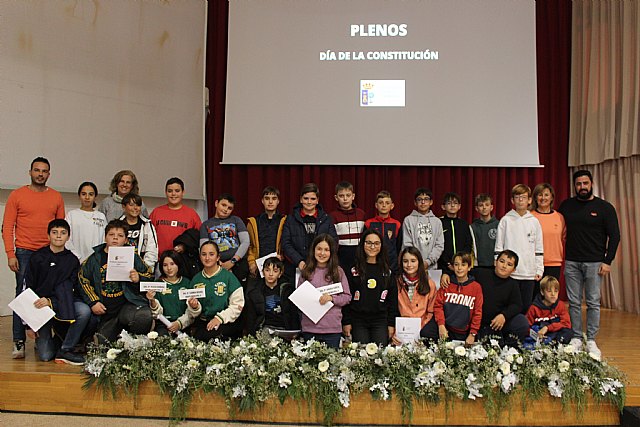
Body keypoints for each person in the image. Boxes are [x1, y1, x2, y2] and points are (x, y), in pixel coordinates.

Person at [2, 157, 65, 358]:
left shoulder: (56, 197)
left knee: (46, 295)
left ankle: (42, 337)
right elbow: (8, 226)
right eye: (37, 170)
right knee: (23, 296)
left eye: (44, 171)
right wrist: (10, 254)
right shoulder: (17, 195)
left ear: (49, 174)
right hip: (24, 252)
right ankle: (18, 341)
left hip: (49, 252)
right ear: (30, 172)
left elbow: (61, 229)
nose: (40, 174)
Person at [558, 170, 620, 357]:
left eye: (585, 183)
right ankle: (577, 337)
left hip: (595, 263)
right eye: (578, 184)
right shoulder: (567, 206)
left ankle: (591, 339)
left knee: (593, 302)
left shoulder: (605, 207)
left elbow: (615, 236)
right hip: (572, 262)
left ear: (591, 184)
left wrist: (607, 261)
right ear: (574, 186)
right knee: (574, 303)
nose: (582, 187)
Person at [24, 219, 94, 365]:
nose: (58, 236)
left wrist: (52, 302)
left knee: (84, 311)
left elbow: (73, 288)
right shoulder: (37, 257)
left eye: (63, 233)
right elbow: (28, 288)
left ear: (68, 237)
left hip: (63, 302)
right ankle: (53, 339)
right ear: (48, 235)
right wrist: (28, 323)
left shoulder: (72, 260)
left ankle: (66, 349)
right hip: (40, 306)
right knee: (45, 356)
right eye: (54, 233)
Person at [78, 219, 155, 343]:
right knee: (104, 344)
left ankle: (134, 338)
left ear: (125, 240)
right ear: (105, 237)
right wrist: (93, 302)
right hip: (104, 310)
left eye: (120, 236)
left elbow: (149, 275)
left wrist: (138, 277)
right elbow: (83, 280)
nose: (115, 238)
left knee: (144, 316)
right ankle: (115, 334)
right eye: (111, 235)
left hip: (127, 304)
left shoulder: (133, 256)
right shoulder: (93, 259)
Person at [442, 250, 529, 347]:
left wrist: (504, 315)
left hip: (496, 323)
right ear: (495, 262)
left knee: (521, 322)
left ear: (513, 270)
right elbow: (462, 270)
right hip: (475, 321)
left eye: (509, 264)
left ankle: (510, 349)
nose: (504, 266)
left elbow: (517, 305)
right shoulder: (481, 273)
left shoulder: (513, 284)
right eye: (502, 261)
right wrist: (446, 274)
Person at [494, 184, 543, 313]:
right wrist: (498, 265)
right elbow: (499, 246)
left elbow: (538, 248)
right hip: (511, 274)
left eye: (524, 197)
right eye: (517, 197)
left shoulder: (534, 221)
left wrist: (539, 268)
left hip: (528, 273)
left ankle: (522, 332)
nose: (520, 200)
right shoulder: (506, 220)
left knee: (525, 307)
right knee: (509, 306)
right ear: (512, 200)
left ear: (530, 200)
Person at [342, 229, 395, 345]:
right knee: (361, 356)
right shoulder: (353, 270)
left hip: (380, 320)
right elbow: (346, 297)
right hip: (358, 320)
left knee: (380, 356)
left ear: (381, 246)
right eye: (368, 243)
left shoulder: (387, 271)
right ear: (363, 244)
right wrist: (346, 321)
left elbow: (392, 299)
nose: (372, 247)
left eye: (376, 243)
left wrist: (391, 324)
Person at [298, 234, 351, 349]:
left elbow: (347, 297)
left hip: (332, 329)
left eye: (326, 250)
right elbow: (299, 298)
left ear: (331, 252)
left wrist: (332, 298)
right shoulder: (306, 272)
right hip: (309, 328)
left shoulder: (338, 272)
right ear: (313, 250)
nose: (322, 253)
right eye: (319, 249)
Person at [281, 183, 338, 282]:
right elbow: (286, 244)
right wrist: (299, 261)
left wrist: (321, 261)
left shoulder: (326, 219)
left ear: (317, 200)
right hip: (297, 267)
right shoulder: (290, 219)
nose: (309, 202)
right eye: (306, 198)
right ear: (301, 199)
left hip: (322, 267)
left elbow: (333, 242)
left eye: (312, 199)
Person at [191, 241, 244, 341]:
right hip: (203, 323)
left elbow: (237, 305)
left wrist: (219, 318)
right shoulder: (196, 280)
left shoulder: (229, 277)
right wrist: (194, 307)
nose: (207, 258)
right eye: (204, 254)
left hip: (226, 322)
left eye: (211, 254)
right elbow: (191, 312)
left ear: (218, 257)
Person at [390, 246, 438, 344]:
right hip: (401, 332)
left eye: (413, 261)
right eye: (405, 261)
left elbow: (431, 312)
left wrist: (421, 330)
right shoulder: (395, 283)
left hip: (423, 330)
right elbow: (392, 310)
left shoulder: (429, 284)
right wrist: (395, 332)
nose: (409, 265)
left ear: (419, 262)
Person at [433, 252, 483, 345]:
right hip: (446, 329)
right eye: (456, 264)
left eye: (463, 265)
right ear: (452, 267)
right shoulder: (446, 284)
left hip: (464, 332)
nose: (459, 268)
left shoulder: (476, 287)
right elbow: (437, 306)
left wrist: (472, 333)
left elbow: (478, 312)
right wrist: (441, 325)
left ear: (469, 267)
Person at [147, 250, 201, 336]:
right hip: (163, 325)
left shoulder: (187, 283)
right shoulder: (158, 284)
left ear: (178, 264)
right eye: (165, 265)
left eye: (172, 264)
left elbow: (191, 313)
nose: (169, 268)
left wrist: (179, 323)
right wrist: (152, 301)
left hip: (183, 324)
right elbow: (156, 312)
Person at [199, 193, 250, 283]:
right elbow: (203, 247)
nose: (226, 209)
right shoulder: (206, 224)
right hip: (215, 264)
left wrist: (233, 261)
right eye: (223, 205)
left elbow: (245, 242)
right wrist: (217, 263)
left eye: (229, 208)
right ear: (216, 203)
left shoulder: (236, 220)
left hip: (237, 263)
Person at [244, 257, 299, 335]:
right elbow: (251, 317)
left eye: (275, 271)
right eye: (267, 270)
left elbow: (293, 315)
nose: (271, 274)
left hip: (284, 329)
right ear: (263, 272)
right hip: (264, 328)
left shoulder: (287, 290)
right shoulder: (255, 292)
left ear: (280, 274)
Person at [150, 177, 202, 255]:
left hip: (184, 260)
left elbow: (198, 237)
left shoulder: (192, 214)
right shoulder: (156, 212)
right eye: (170, 191)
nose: (173, 194)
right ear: (166, 192)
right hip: (159, 260)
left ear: (183, 192)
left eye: (177, 191)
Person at [246, 186, 287, 278]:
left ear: (278, 201)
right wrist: (251, 263)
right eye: (267, 198)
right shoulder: (253, 223)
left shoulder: (285, 221)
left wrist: (282, 256)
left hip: (278, 266)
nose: (270, 202)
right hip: (258, 266)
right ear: (262, 201)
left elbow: (288, 244)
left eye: (274, 198)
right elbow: (249, 246)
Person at [531, 183, 565, 283]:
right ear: (535, 198)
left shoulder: (559, 217)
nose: (543, 198)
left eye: (546, 195)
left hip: (554, 263)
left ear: (551, 198)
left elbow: (562, 237)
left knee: (550, 296)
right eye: (540, 195)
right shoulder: (530, 217)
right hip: (534, 263)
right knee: (535, 297)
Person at [402, 187, 444, 270]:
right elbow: (407, 244)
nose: (423, 202)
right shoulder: (408, 220)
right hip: (412, 267)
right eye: (419, 199)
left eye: (426, 199)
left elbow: (439, 245)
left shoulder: (437, 221)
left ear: (431, 202)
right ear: (415, 202)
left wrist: (428, 262)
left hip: (432, 267)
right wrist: (415, 262)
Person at [329, 181, 366, 273]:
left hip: (359, 254)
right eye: (341, 196)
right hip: (341, 255)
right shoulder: (332, 216)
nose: (345, 199)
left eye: (348, 195)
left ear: (353, 196)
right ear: (336, 198)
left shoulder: (361, 214)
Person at [65, 182, 107, 262]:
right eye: (84, 194)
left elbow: (104, 239)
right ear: (79, 196)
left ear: (95, 197)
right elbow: (66, 238)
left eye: (91, 194)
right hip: (75, 260)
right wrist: (76, 256)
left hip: (96, 260)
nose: (87, 197)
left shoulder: (101, 216)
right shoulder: (71, 215)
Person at [526, 276, 573, 345]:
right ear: (542, 292)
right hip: (540, 334)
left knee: (567, 332)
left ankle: (555, 346)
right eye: (549, 291)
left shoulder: (560, 305)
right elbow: (527, 326)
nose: (553, 294)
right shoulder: (534, 308)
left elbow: (566, 323)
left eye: (556, 291)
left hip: (555, 332)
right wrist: (536, 335)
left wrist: (547, 328)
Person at [364, 190, 402, 275]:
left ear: (392, 206)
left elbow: (399, 246)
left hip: (392, 264)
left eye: (387, 203)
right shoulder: (368, 223)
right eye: (381, 203)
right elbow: (364, 245)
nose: (384, 205)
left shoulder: (397, 224)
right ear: (376, 205)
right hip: (373, 263)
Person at [119, 193, 158, 269]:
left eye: (138, 205)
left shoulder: (147, 225)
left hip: (141, 268)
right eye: (131, 205)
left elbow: (152, 249)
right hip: (121, 266)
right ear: (124, 207)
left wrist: (145, 268)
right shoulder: (117, 225)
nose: (135, 208)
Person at [437, 192, 473, 272]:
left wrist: (461, 261)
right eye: (449, 203)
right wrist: (447, 263)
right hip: (443, 266)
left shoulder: (464, 224)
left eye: (455, 203)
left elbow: (468, 244)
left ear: (459, 206)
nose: (452, 206)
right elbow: (437, 245)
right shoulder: (438, 223)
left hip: (461, 265)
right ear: (443, 206)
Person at [470, 193, 499, 269]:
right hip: (478, 266)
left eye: (487, 205)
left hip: (495, 265)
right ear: (476, 208)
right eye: (481, 205)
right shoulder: (472, 227)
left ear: (491, 207)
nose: (484, 207)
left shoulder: (499, 225)